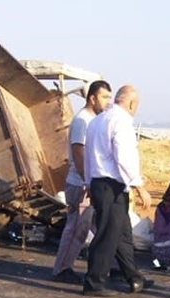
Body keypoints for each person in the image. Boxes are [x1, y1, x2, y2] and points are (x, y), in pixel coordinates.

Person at [83, 85, 154, 296]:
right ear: (132, 103)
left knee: (122, 234)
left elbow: (89, 156)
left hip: (100, 182)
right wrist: (139, 186)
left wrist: (88, 182)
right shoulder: (121, 122)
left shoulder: (97, 121)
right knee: (107, 234)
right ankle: (94, 282)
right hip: (111, 185)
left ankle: (133, 277)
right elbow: (124, 157)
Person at [52, 80, 113, 284]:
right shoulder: (82, 121)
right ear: (92, 98)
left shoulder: (95, 120)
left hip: (91, 183)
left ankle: (114, 267)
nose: (107, 102)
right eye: (104, 97)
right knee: (77, 229)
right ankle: (62, 269)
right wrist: (88, 181)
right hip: (81, 184)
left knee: (102, 227)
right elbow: (79, 152)